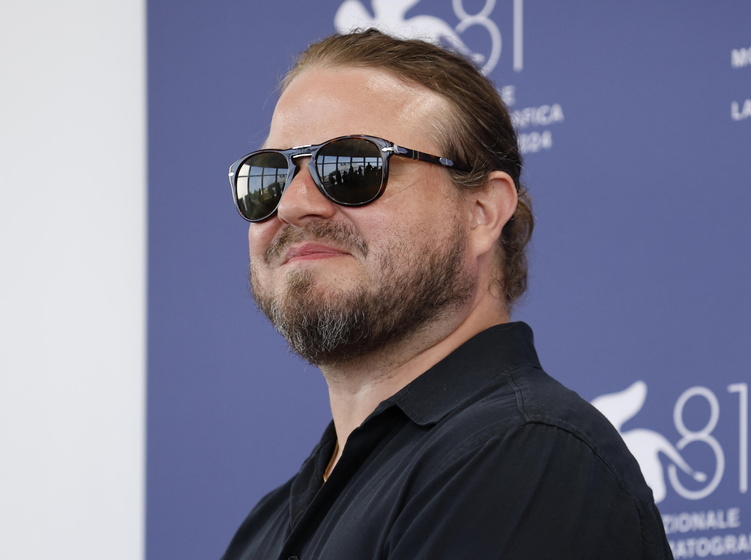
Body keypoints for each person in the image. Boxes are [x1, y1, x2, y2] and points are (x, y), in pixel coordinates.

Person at [222, 29, 673, 560]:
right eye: (269, 176)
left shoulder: (524, 456)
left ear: (482, 213)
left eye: (353, 168)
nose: (294, 204)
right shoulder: (266, 527)